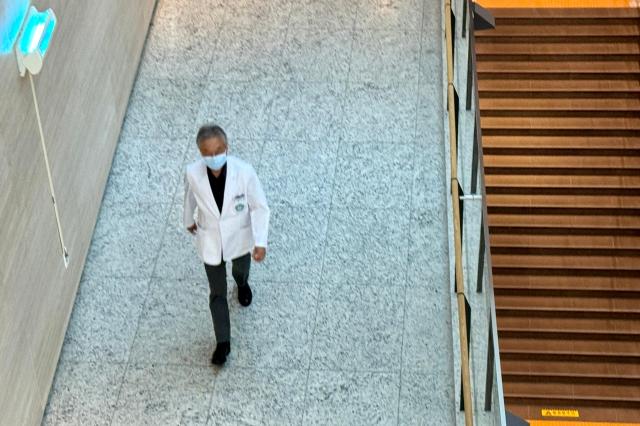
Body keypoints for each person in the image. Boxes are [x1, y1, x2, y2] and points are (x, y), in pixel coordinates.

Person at [183, 124, 270, 366]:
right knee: (217, 292)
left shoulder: (244, 172)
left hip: (239, 236)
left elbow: (260, 207)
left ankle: (242, 283)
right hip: (210, 239)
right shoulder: (193, 173)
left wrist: (260, 241)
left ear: (226, 147)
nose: (214, 157)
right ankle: (223, 343)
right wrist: (188, 220)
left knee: (240, 269)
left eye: (218, 150)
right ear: (201, 153)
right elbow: (189, 197)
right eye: (208, 153)